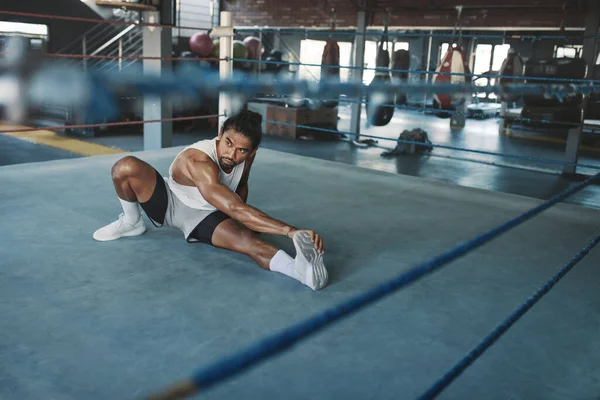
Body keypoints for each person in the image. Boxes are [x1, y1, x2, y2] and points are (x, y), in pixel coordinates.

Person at [93, 110, 328, 290]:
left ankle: (300, 273)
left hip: (205, 214)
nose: (231, 154)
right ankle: (132, 222)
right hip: (168, 202)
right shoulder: (200, 162)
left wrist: (242, 225)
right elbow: (235, 206)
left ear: (253, 151)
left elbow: (241, 187)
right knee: (125, 166)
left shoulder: (244, 158)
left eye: (242, 151)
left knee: (249, 243)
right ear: (220, 134)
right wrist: (290, 231)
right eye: (228, 143)